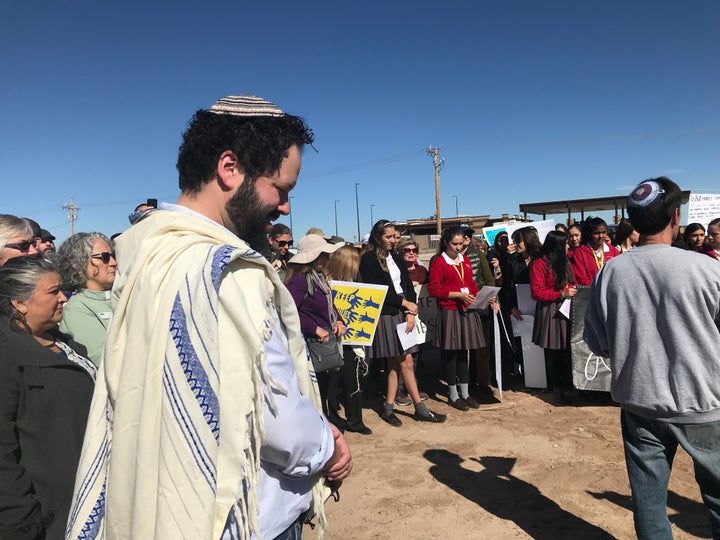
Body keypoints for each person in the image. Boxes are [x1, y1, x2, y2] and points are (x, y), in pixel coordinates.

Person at [66, 95, 352, 540]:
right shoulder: (226, 270)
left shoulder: (147, 250)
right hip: (241, 520)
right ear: (230, 167)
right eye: (282, 189)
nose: (285, 207)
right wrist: (327, 447)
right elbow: (275, 419)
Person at [584, 177, 720, 539]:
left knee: (649, 505)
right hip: (704, 402)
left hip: (640, 402)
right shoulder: (707, 269)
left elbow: (596, 343)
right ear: (676, 216)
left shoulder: (610, 272)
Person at [0, 256, 96, 540]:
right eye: (53, 292)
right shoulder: (8, 353)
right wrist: (21, 518)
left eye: (63, 290)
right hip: (44, 514)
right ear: (20, 302)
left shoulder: (63, 342)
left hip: (82, 494)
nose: (64, 298)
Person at [359, 219, 446, 426]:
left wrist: (410, 310)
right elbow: (379, 290)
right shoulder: (369, 259)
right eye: (388, 237)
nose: (392, 241)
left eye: (394, 236)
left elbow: (406, 284)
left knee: (395, 364)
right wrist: (405, 303)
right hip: (386, 314)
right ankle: (420, 408)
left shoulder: (396, 257)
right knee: (405, 361)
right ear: (377, 237)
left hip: (402, 311)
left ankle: (388, 408)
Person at [285, 234, 346, 430]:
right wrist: (313, 327)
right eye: (324, 255)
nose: (327, 259)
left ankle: (327, 418)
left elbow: (331, 305)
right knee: (315, 385)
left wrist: (339, 320)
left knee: (326, 383)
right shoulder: (300, 281)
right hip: (309, 344)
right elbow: (287, 311)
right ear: (314, 256)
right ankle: (320, 423)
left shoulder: (318, 278)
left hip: (322, 342)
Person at [428, 226, 485, 411]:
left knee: (464, 353)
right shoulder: (439, 262)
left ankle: (465, 393)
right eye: (455, 244)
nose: (458, 248)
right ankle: (453, 395)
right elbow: (434, 289)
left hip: (467, 310)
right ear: (446, 242)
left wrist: (483, 296)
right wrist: (456, 295)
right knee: (451, 354)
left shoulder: (465, 260)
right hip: (450, 311)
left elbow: (471, 284)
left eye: (461, 244)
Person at [324, 244, 373, 435]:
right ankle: (333, 419)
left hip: (350, 341)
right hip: (331, 341)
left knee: (352, 380)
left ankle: (355, 420)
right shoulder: (325, 283)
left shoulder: (355, 281)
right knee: (332, 383)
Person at [529, 231, 577, 404]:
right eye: (565, 244)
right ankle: (556, 386)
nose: (568, 246)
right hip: (551, 311)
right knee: (554, 351)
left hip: (567, 308)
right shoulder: (539, 264)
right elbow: (537, 292)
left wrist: (569, 290)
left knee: (567, 349)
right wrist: (560, 293)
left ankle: (567, 383)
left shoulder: (565, 261)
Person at [57, 232, 117, 366]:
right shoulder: (77, 308)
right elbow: (104, 360)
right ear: (78, 263)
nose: (113, 262)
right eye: (105, 257)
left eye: (113, 256)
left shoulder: (121, 295)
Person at [570, 217, 620, 285]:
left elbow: (618, 275)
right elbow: (581, 279)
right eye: (597, 233)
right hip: (590, 293)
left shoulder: (614, 252)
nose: (601, 236)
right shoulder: (579, 253)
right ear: (590, 233)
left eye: (604, 232)